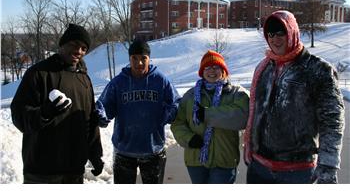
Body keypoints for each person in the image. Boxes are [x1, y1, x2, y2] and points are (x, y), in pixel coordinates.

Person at [244, 10, 345, 184]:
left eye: (281, 32)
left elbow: (332, 121)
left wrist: (328, 165)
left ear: (292, 31)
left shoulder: (317, 70)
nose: (275, 39)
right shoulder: (264, 68)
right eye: (271, 34)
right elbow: (255, 113)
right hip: (259, 168)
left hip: (297, 171)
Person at [11, 23, 104, 184]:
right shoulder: (39, 73)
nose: (79, 51)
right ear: (62, 44)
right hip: (41, 172)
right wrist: (44, 113)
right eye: (74, 44)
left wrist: (95, 154)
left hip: (74, 171)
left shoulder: (84, 79)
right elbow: (19, 116)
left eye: (83, 48)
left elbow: (89, 122)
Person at [95, 39, 180, 184]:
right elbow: (104, 105)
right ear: (129, 59)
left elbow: (176, 102)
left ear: (149, 59)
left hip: (153, 149)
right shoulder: (118, 82)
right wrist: (101, 114)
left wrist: (169, 113)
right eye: (134, 58)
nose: (139, 63)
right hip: (124, 150)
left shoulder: (160, 80)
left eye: (143, 58)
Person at [171, 50, 249, 184]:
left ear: (223, 70)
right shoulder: (190, 96)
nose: (211, 70)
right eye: (207, 67)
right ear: (202, 72)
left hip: (224, 160)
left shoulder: (236, 93)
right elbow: (178, 123)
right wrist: (189, 139)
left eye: (216, 67)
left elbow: (242, 117)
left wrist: (207, 114)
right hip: (196, 160)